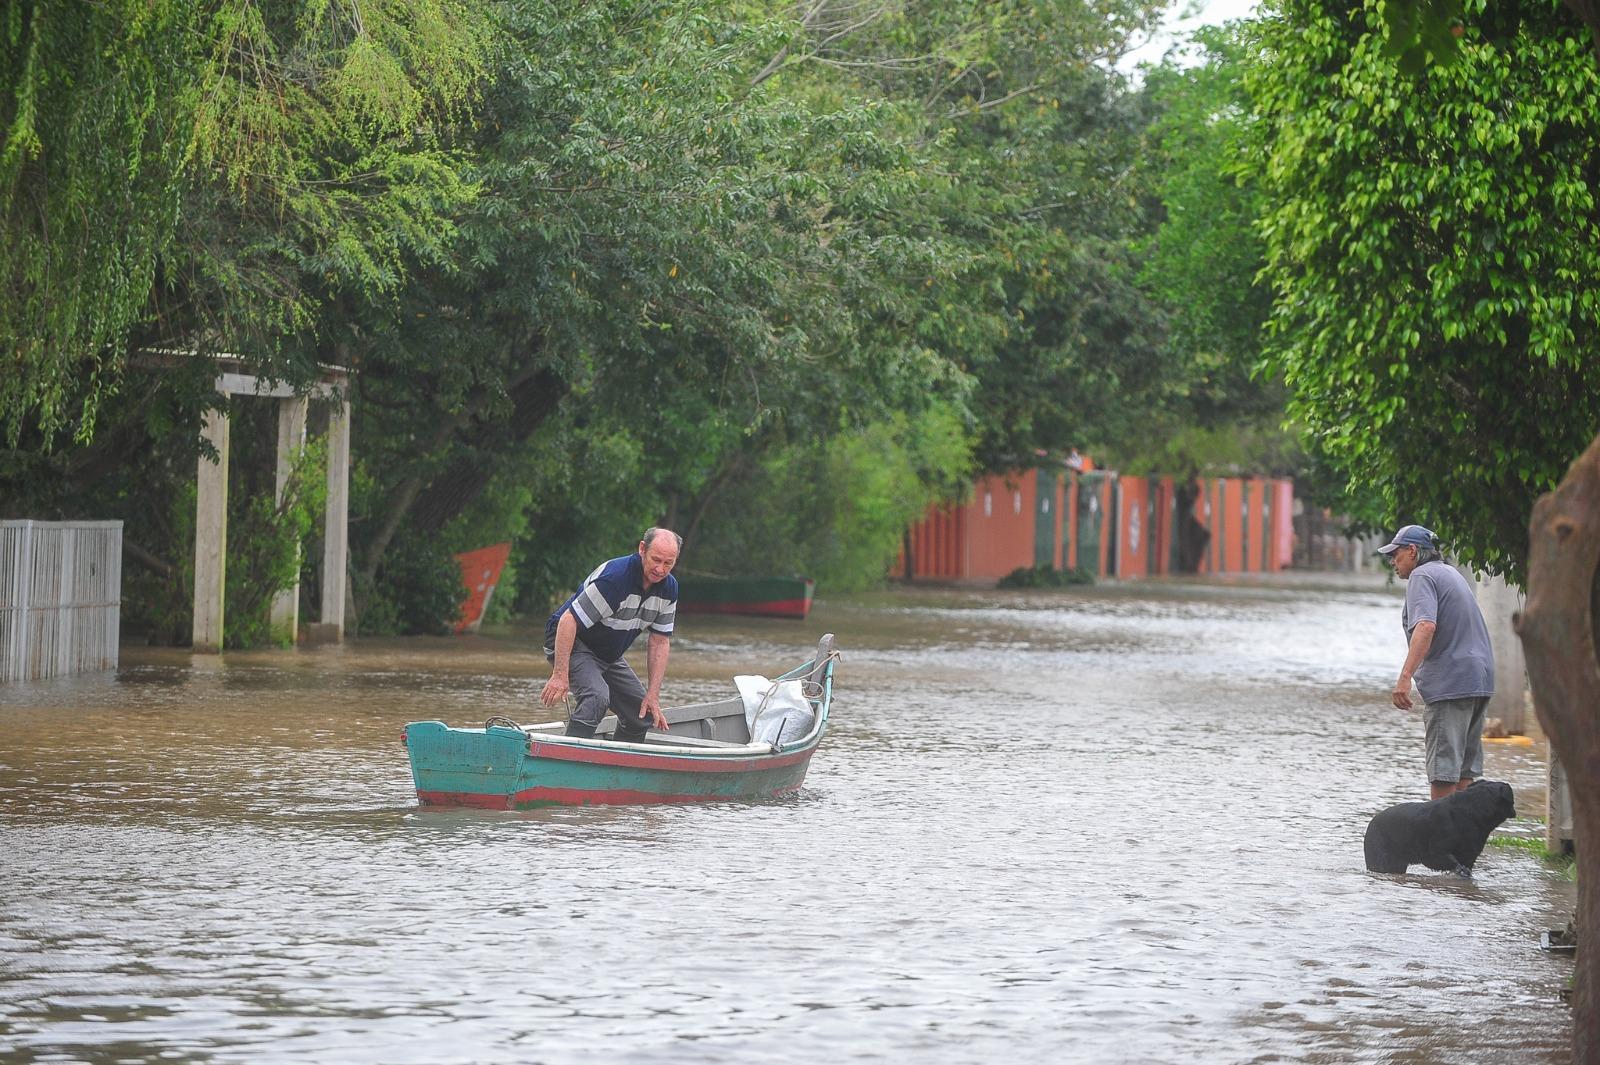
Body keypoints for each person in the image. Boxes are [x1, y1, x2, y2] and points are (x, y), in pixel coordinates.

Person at [1378, 524, 1495, 800]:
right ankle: (1461, 841)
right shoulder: (1449, 573)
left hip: (1451, 684)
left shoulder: (1422, 575)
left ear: (1413, 550)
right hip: (1479, 680)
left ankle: (1442, 841)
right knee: (1464, 771)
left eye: (1395, 555)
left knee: (1444, 771)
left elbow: (1426, 626)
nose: (1392, 562)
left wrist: (1405, 677)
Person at [540, 528, 681, 741]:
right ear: (642, 549)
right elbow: (568, 621)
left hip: (607, 652)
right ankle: (571, 761)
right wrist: (560, 675)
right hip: (573, 639)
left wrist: (653, 694)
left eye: (668, 563)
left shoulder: (669, 589)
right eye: (656, 560)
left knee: (641, 713)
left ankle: (620, 768)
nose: (660, 569)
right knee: (597, 697)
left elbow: (660, 642)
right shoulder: (615, 579)